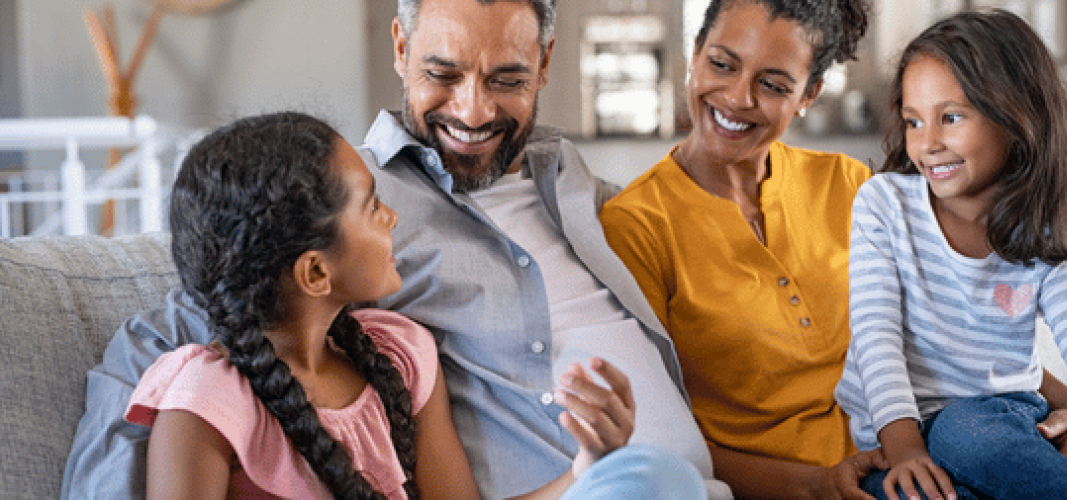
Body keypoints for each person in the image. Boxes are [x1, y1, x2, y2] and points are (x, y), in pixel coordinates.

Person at [61, 0, 725, 498]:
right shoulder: (339, 206)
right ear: (402, 46)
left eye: (507, 79)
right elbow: (177, 330)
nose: (471, 111)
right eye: (443, 72)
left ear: (546, 65)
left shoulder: (569, 177)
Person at [600, 1, 1067, 498]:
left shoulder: (851, 186)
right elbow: (657, 434)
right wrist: (818, 485)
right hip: (822, 485)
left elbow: (960, 328)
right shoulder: (636, 225)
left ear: (809, 93)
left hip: (932, 451)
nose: (736, 97)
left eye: (773, 84)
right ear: (694, 55)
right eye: (722, 64)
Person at [833, 10, 1067, 500]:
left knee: (965, 429)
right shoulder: (884, 205)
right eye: (913, 121)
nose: (927, 142)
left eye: (950, 117)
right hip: (904, 445)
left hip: (999, 427)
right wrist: (904, 447)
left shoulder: (1036, 237)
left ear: (1017, 119)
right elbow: (876, 334)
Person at [129, 111, 481, 498]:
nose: (392, 218)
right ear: (314, 273)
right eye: (371, 206)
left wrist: (564, 482)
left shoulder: (401, 352)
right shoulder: (207, 402)